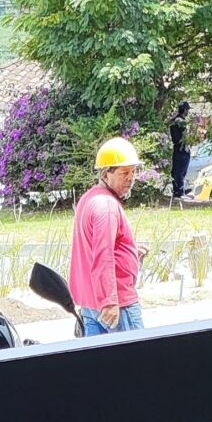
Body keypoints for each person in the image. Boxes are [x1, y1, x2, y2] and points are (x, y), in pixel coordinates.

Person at [70, 139, 144, 336]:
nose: (131, 178)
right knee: (138, 354)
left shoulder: (89, 198)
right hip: (116, 304)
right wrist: (109, 301)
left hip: (91, 303)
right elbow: (103, 256)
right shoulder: (107, 206)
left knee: (100, 357)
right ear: (105, 174)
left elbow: (92, 246)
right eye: (124, 173)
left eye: (133, 172)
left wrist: (130, 253)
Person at [168, 100, 192, 204]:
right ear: (185, 110)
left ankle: (180, 190)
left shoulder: (176, 120)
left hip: (180, 149)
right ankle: (179, 192)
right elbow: (180, 138)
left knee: (179, 170)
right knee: (180, 171)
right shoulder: (179, 121)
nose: (188, 112)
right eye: (187, 110)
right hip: (181, 149)